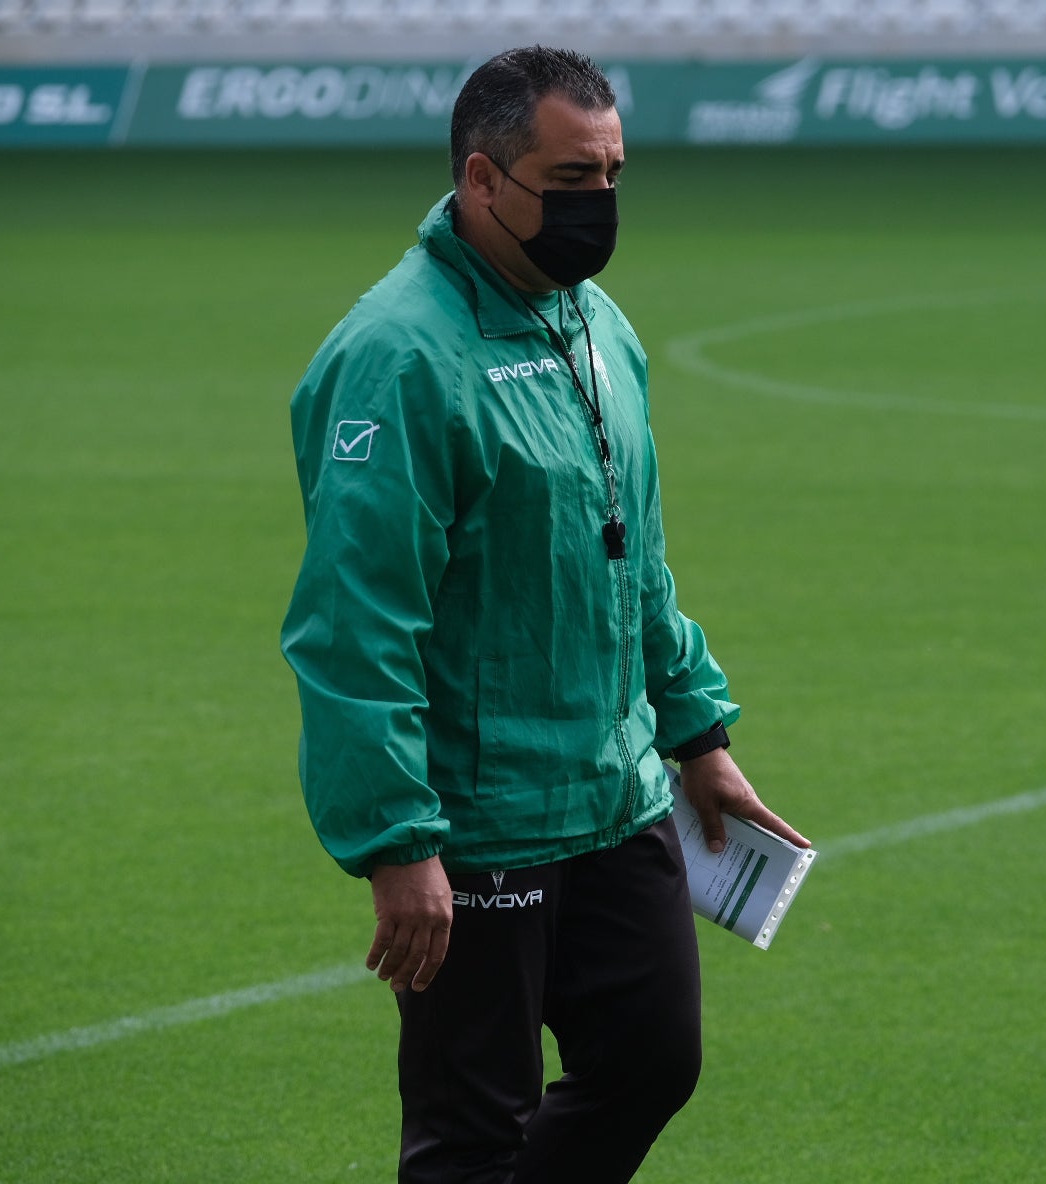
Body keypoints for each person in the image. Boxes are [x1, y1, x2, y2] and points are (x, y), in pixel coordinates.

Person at [280, 45, 807, 1184]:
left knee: (652, 1059)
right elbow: (354, 626)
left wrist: (697, 734)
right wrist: (397, 840)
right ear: (482, 179)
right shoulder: (396, 359)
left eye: (613, 174)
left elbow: (633, 557)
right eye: (571, 180)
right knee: (474, 1132)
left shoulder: (596, 323)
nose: (600, 204)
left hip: (618, 796)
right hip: (479, 825)